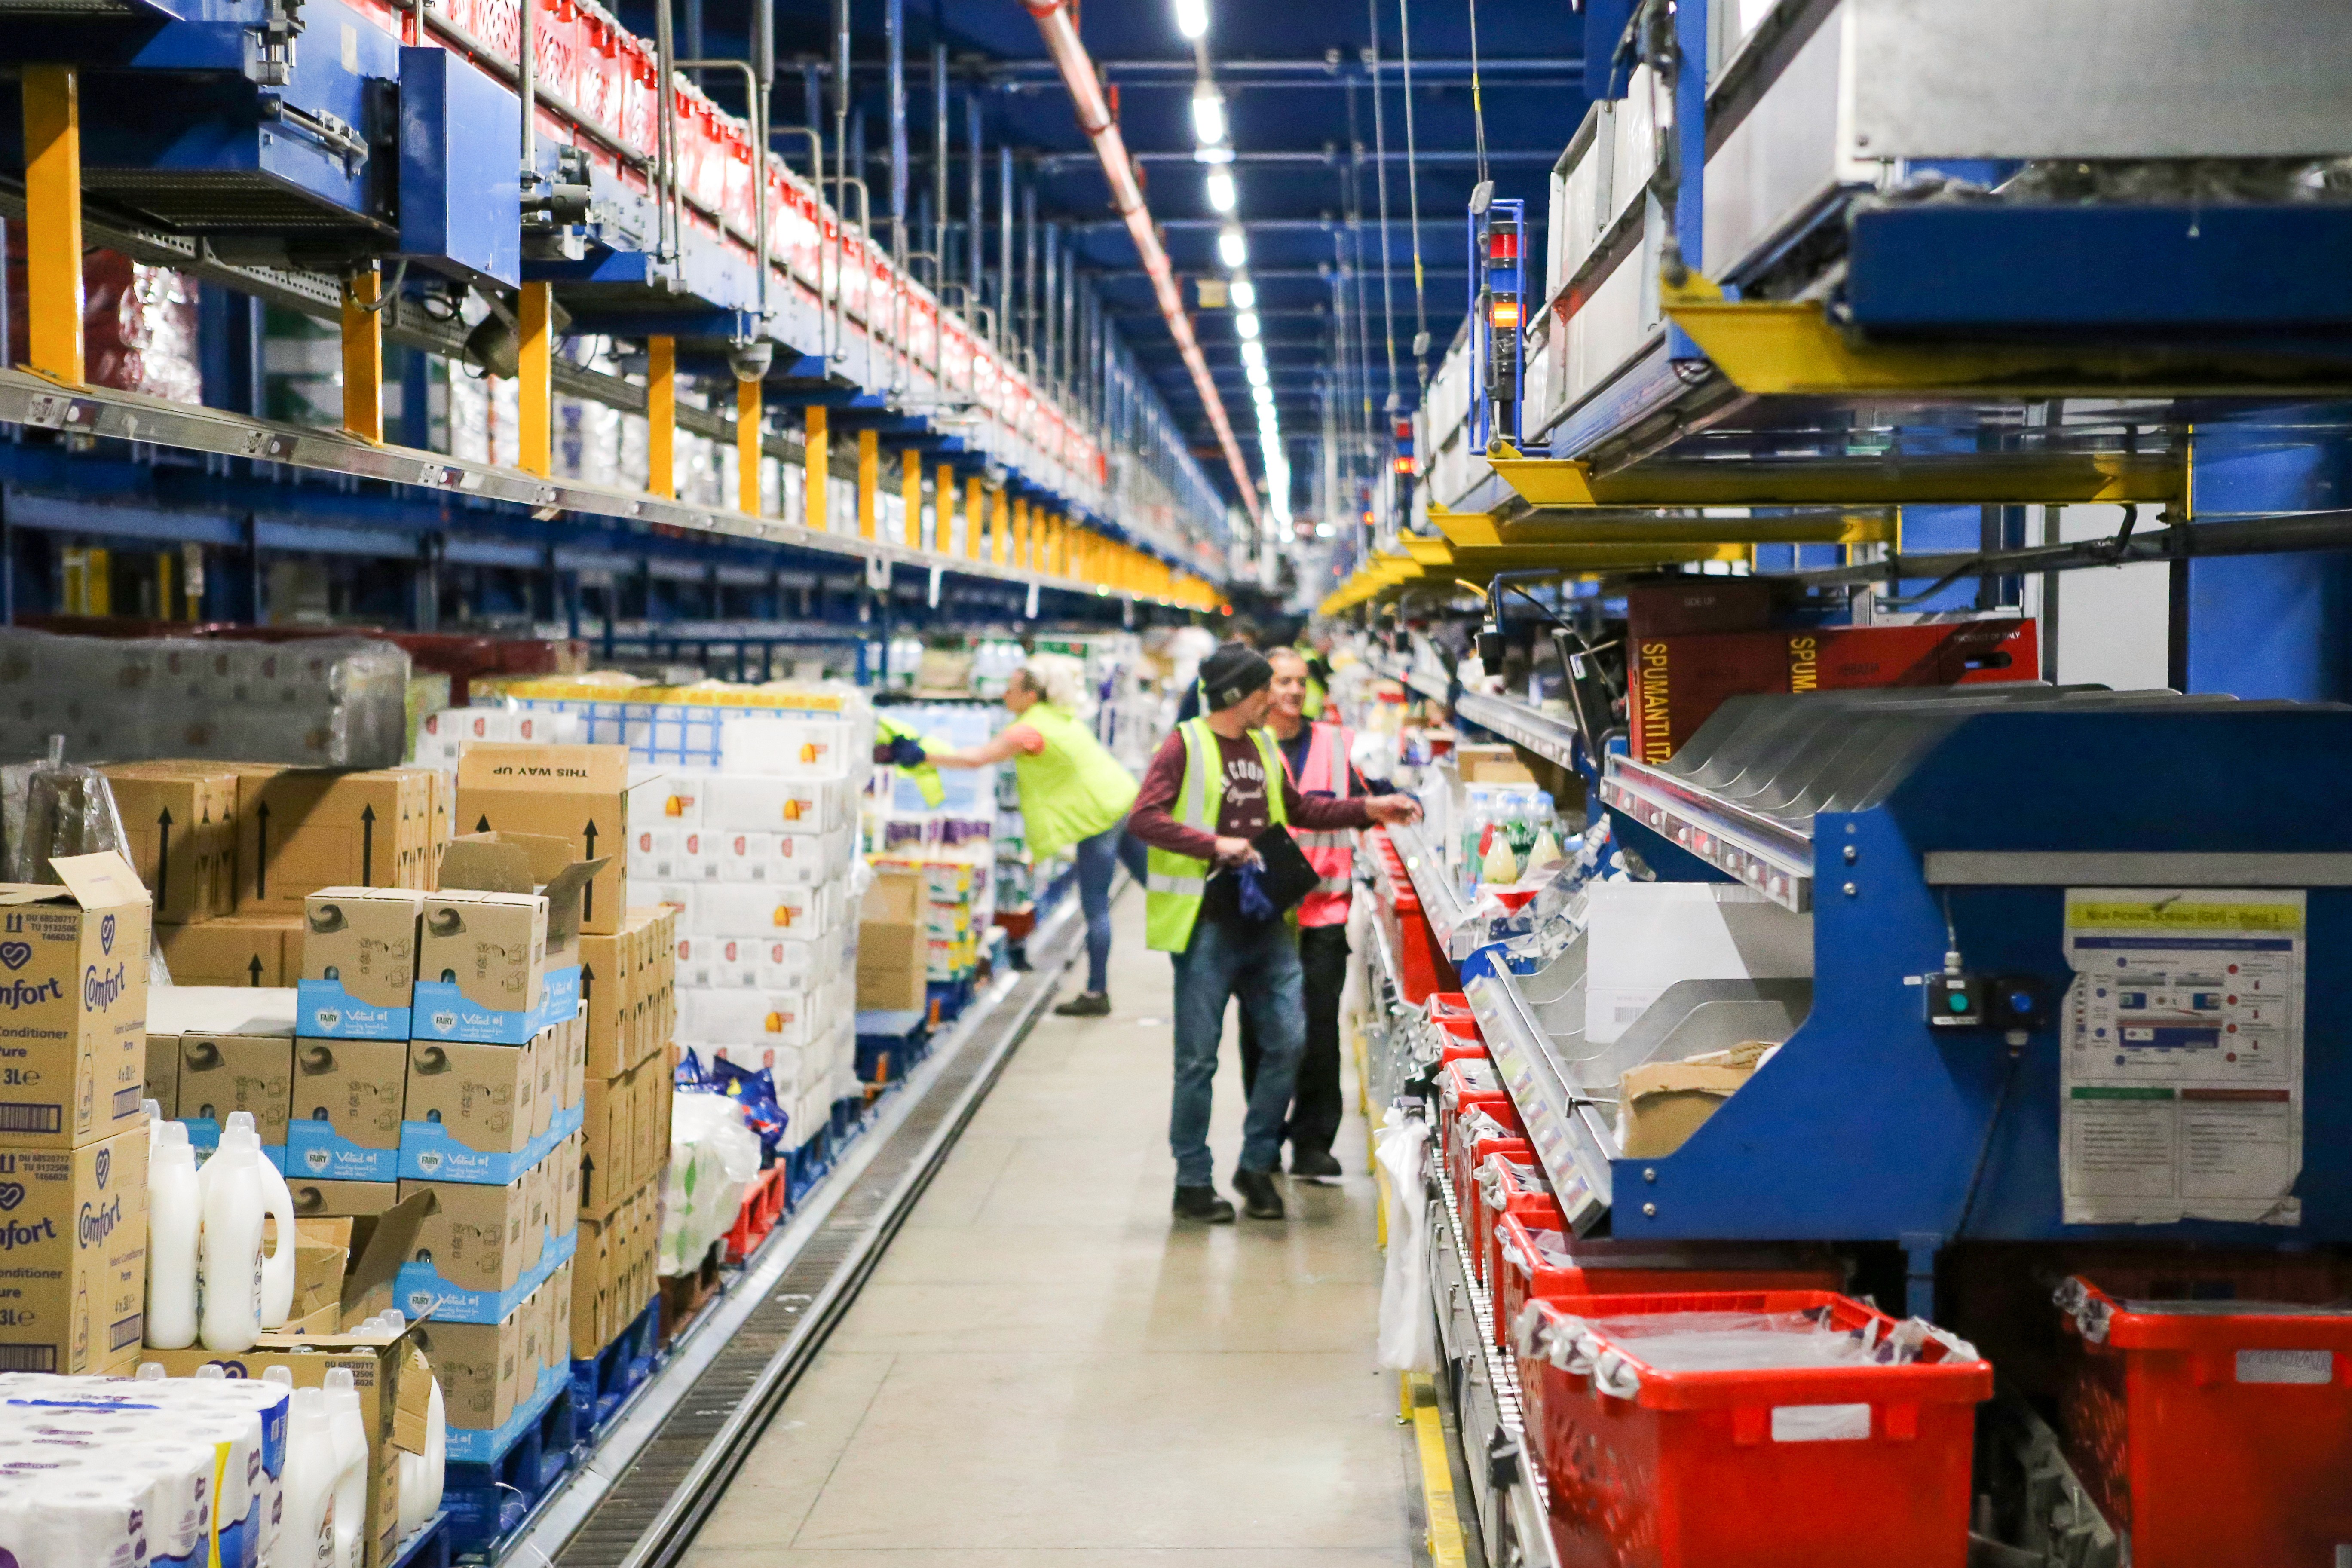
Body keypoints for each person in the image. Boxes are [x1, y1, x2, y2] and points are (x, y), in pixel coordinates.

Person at [1129, 643, 1423, 1223]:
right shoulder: (1184, 745)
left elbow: (1302, 812)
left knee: (1290, 1041)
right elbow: (1144, 817)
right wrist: (1212, 845)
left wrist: (1371, 808)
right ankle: (1192, 1180)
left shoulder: (1264, 746)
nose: (1279, 698)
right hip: (1207, 925)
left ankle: (1256, 1163)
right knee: (1197, 1061)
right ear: (1241, 694)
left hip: (1267, 922)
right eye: (1268, 687)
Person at [1233, 647, 1388, 1178]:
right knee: (1262, 1030)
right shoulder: (1245, 747)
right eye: (1282, 682)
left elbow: (1368, 796)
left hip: (1323, 911)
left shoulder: (1336, 744)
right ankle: (1266, 1136)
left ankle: (1313, 1142)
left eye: (1300, 682)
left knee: (1319, 1030)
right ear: (1262, 689)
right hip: (1265, 914)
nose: (1294, 692)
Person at [924, 654, 1147, 1016]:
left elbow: (977, 758)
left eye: (1010, 690)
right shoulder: (1058, 716)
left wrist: (921, 755)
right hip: (1122, 799)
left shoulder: (1029, 729)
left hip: (1098, 817)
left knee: (1096, 906)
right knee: (1157, 880)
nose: (1004, 697)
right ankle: (1206, 941)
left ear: (1030, 696)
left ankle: (1096, 992)